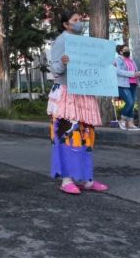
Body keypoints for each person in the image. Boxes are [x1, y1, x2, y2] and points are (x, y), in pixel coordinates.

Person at [47, 10, 109, 195]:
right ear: (66, 24)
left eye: (80, 19)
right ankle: (67, 179)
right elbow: (54, 68)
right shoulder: (61, 41)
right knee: (69, 135)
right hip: (67, 94)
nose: (80, 22)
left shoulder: (84, 43)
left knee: (87, 135)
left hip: (84, 92)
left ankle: (86, 178)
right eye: (75, 20)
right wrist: (64, 63)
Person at [113, 44, 140, 131]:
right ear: (120, 51)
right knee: (129, 102)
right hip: (123, 84)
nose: (128, 51)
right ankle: (122, 120)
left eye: (128, 49)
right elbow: (118, 72)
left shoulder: (131, 60)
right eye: (125, 49)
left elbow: (135, 70)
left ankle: (130, 123)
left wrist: (139, 73)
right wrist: (133, 74)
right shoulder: (117, 60)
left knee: (132, 103)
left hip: (133, 83)